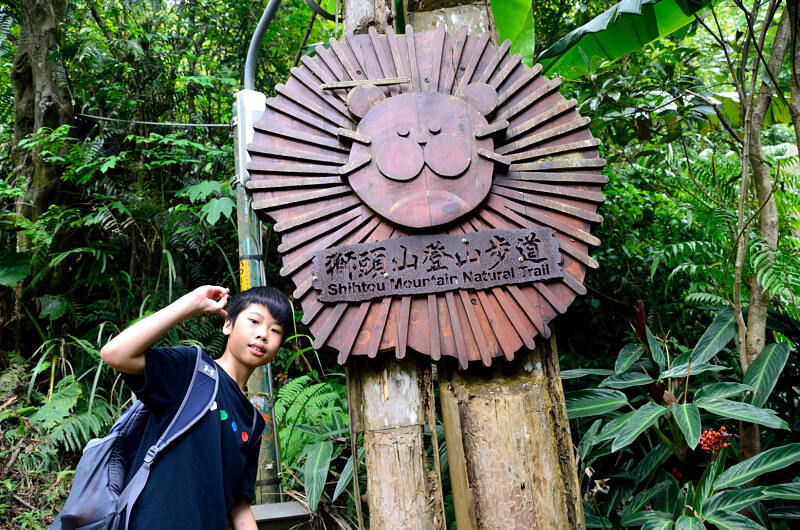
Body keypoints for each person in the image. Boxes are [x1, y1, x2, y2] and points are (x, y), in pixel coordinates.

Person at [100, 285, 293, 530]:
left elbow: (238, 504)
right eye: (254, 321)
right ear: (228, 325)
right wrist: (190, 304)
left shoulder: (254, 424)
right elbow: (115, 354)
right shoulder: (192, 372)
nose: (263, 334)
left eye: (275, 330)